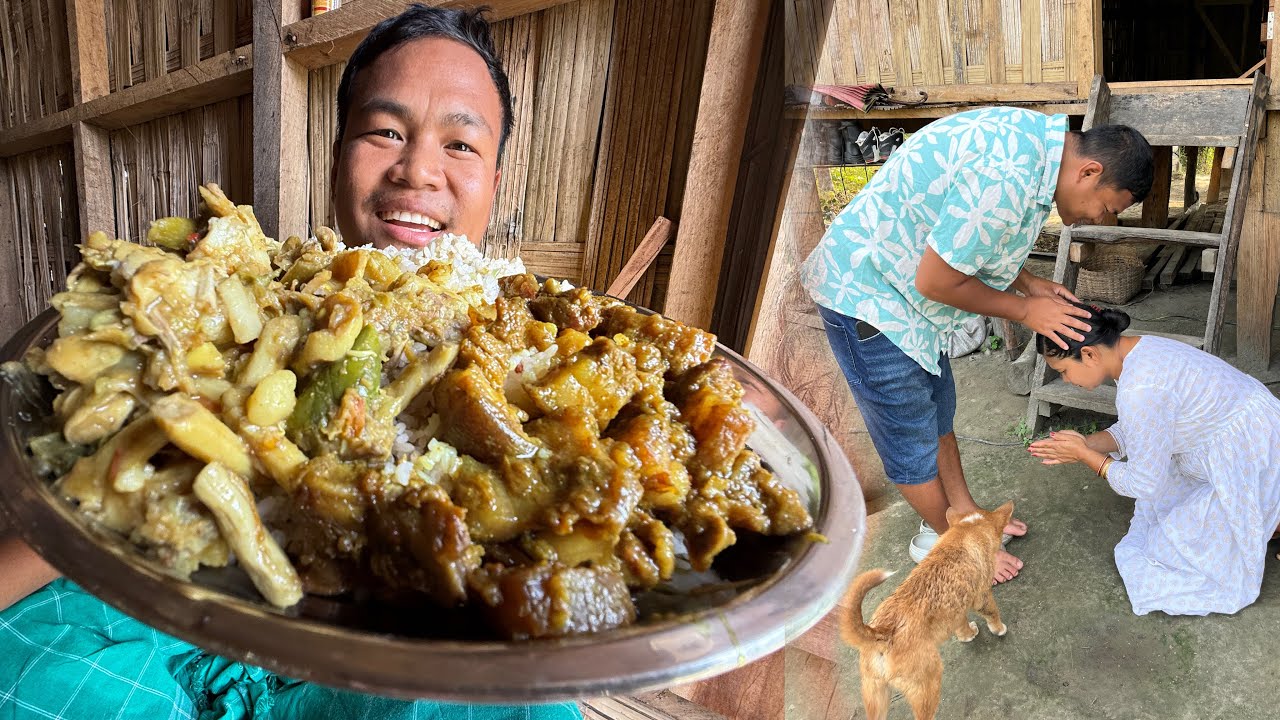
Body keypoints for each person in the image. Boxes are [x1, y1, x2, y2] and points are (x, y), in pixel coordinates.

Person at [0, 6, 581, 719]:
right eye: (386, 131)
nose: (417, 170)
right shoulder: (251, 284)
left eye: (461, 144)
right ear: (338, 152)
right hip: (154, 600)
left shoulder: (536, 338)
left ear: (495, 178)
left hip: (386, 649)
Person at [802, 107, 1154, 583]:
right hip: (869, 297)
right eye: (1107, 207)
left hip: (908, 299)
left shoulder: (1038, 150)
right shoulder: (1007, 176)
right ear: (1089, 172)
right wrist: (1025, 311)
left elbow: (972, 237)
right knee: (909, 441)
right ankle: (961, 548)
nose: (1101, 219)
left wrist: (1027, 282)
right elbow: (936, 280)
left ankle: (967, 516)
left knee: (937, 413)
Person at [1027, 305, 1280, 616]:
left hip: (1254, 450)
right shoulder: (1137, 349)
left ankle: (1269, 507)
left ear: (1090, 354)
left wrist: (1086, 457)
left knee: (1174, 553)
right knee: (1181, 518)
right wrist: (1085, 444)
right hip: (1256, 427)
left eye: (1064, 370)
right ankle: (1268, 510)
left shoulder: (1139, 388)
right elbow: (1140, 427)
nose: (1066, 380)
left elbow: (1144, 484)